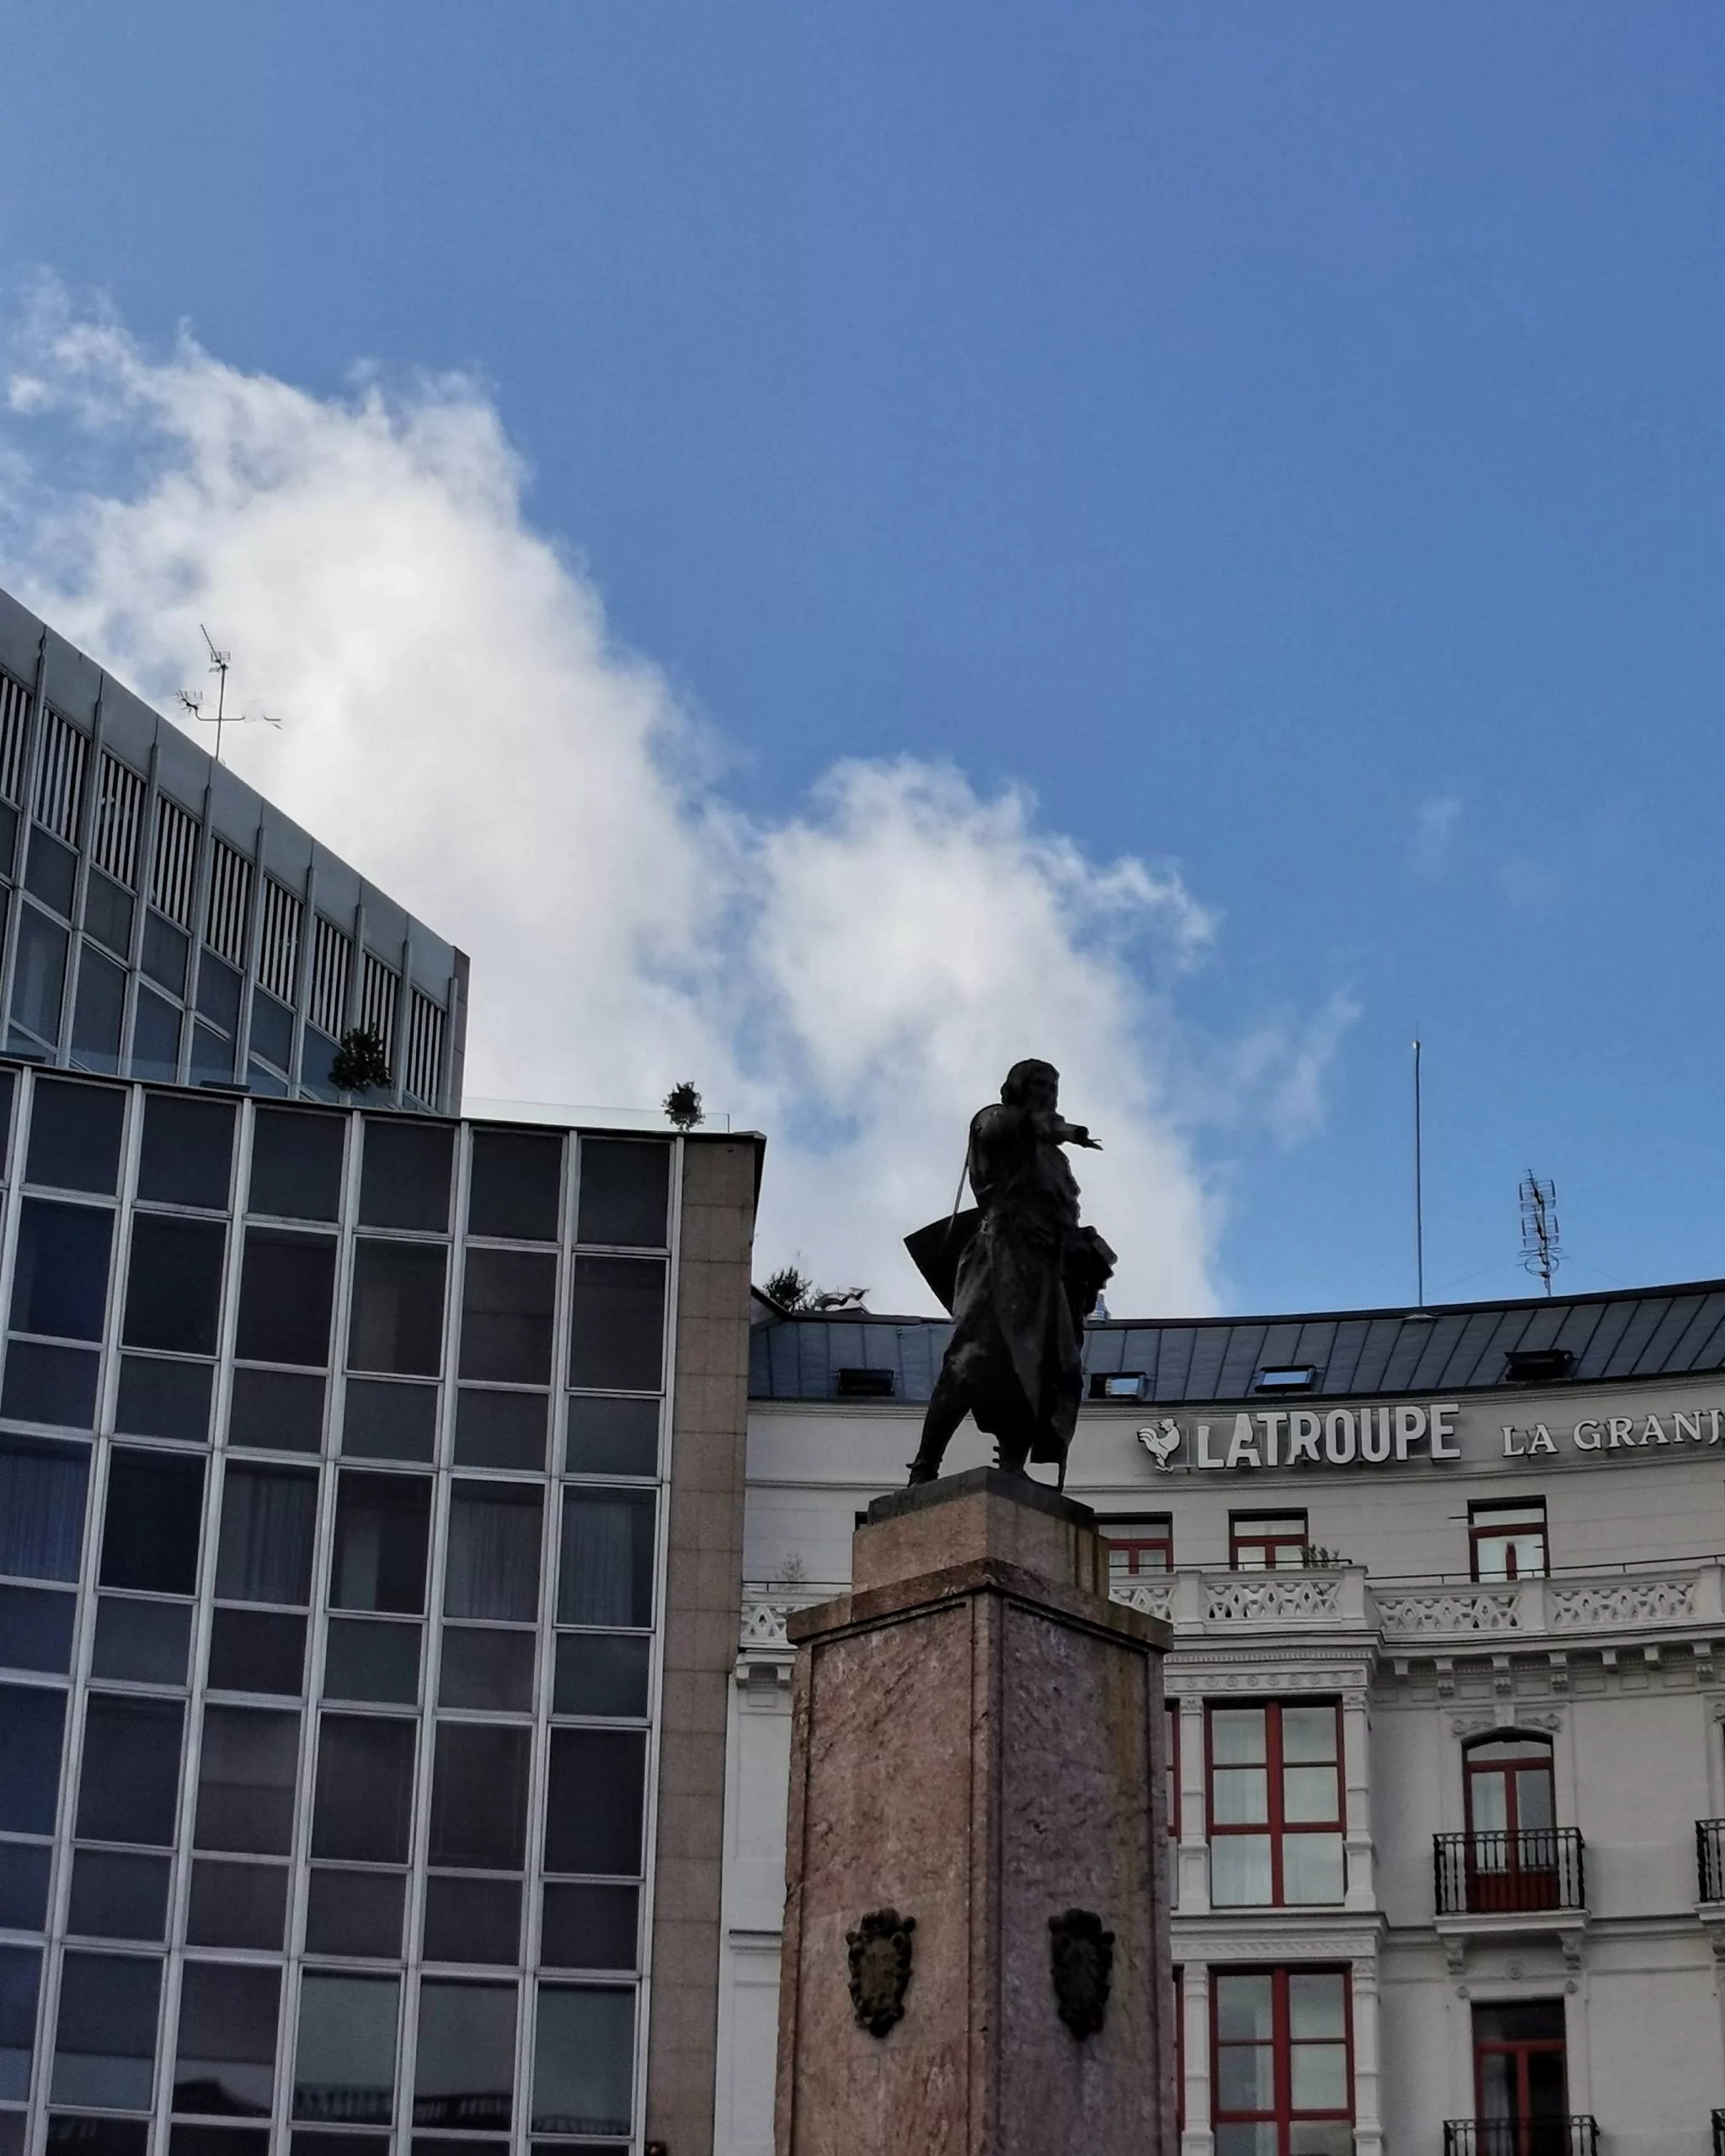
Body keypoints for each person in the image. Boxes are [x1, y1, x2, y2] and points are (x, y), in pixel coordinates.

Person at [904, 1059, 1115, 1486]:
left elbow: (1064, 1214)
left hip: (1046, 1273)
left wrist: (1083, 1249)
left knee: (1043, 1370)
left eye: (1053, 1087)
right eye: (1039, 1085)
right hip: (1000, 1258)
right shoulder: (994, 1121)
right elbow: (1003, 1129)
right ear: (1017, 1088)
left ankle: (1013, 1468)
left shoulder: (1054, 1161)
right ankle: (926, 1465)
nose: (1048, 1094)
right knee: (971, 1359)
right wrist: (1063, 1129)